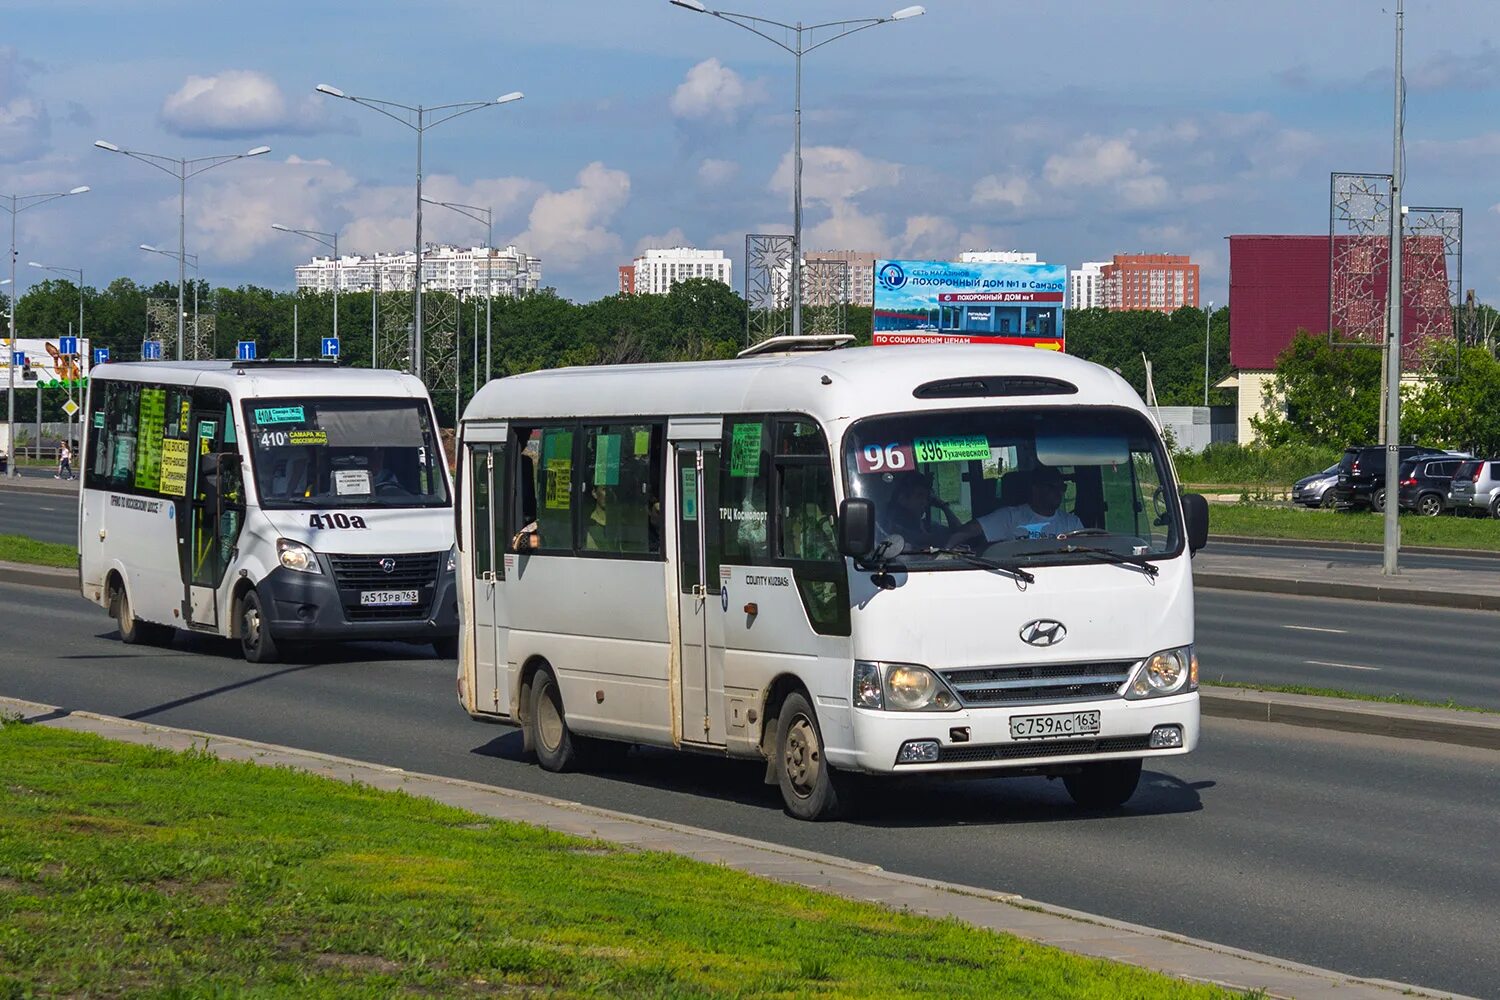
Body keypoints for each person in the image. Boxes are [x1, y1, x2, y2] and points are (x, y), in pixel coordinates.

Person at [949, 465, 1082, 546]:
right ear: (1035, 489)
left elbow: (1086, 553)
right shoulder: (1010, 517)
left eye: (1062, 487)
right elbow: (966, 531)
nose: (1058, 492)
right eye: (1052, 487)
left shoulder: (1072, 524)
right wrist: (943, 556)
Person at [876, 474, 955, 551]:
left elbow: (958, 533)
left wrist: (944, 507)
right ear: (903, 499)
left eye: (927, 498)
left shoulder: (929, 526)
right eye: (919, 496)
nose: (924, 502)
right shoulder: (887, 528)